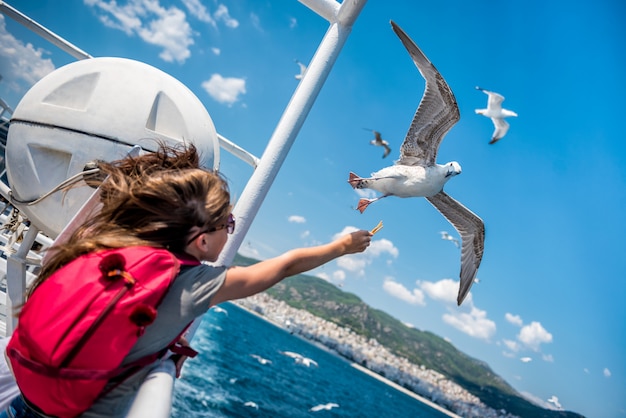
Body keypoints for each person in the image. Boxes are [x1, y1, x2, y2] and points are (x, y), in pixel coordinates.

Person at [2, 143, 372, 418]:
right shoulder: (193, 282)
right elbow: (283, 267)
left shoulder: (116, 246)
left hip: (25, 395)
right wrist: (341, 246)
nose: (231, 231)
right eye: (228, 224)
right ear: (202, 240)